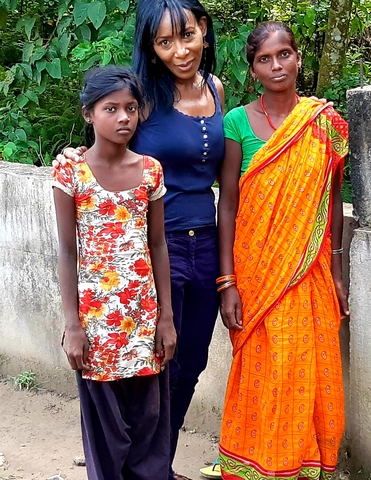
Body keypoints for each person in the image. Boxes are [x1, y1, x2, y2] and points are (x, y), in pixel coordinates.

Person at [54, 1, 224, 479]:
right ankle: (139, 468)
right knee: (154, 368)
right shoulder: (143, 94)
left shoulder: (215, 89)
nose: (179, 50)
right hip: (152, 247)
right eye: (164, 41)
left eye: (186, 35)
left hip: (204, 242)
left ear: (203, 31)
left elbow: (223, 174)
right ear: (150, 46)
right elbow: (107, 136)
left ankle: (156, 466)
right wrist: (74, 153)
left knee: (189, 361)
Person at [216, 21, 349, 480]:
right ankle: (255, 465)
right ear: (252, 69)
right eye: (264, 59)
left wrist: (335, 269)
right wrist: (227, 282)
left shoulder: (323, 123)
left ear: (297, 58)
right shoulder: (236, 121)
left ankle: (302, 467)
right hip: (255, 273)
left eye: (284, 55)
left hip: (308, 273)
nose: (277, 66)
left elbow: (330, 202)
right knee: (266, 372)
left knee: (306, 374)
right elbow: (228, 205)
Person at [52, 65, 176, 479]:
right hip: (97, 326)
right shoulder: (70, 173)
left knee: (148, 427)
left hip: (143, 322)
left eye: (131, 108)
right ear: (89, 114)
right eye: (111, 108)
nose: (124, 117)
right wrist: (72, 326)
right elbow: (68, 252)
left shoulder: (151, 171)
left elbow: (158, 245)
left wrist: (166, 318)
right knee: (107, 435)